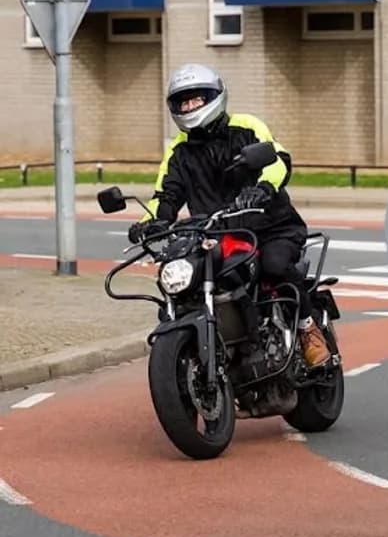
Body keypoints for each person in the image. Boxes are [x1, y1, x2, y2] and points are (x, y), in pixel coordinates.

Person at [128, 62, 330, 368]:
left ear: (214, 97)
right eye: (184, 101)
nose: (190, 106)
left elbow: (277, 161)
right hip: (216, 236)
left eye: (196, 99)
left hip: (270, 226)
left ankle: (307, 329)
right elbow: (165, 195)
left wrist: (262, 189)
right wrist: (149, 223)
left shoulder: (246, 126)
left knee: (275, 266)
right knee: (186, 283)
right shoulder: (178, 151)